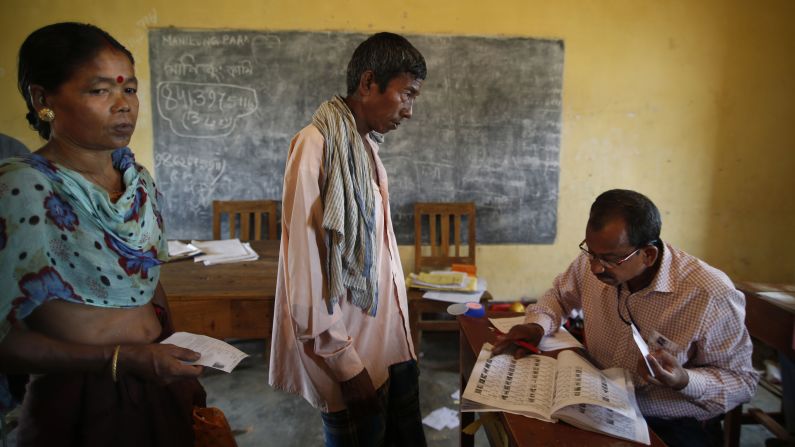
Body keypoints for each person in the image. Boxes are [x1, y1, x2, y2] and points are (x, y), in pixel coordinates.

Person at [0, 22, 206, 446]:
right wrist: (120, 359)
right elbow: (7, 343)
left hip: (157, 382)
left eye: (129, 89)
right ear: (43, 100)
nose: (123, 106)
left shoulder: (138, 183)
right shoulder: (23, 189)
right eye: (100, 91)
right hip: (79, 403)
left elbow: (148, 282)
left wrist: (171, 344)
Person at [493, 189, 759, 447]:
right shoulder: (595, 260)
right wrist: (537, 326)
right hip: (596, 400)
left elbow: (742, 382)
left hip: (668, 420)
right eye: (591, 253)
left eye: (610, 259)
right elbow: (559, 296)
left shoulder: (709, 293)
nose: (596, 267)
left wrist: (684, 380)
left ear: (648, 254)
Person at [268, 32, 427, 446]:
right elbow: (303, 273)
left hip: (390, 347)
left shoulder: (362, 146)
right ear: (368, 83)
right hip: (353, 358)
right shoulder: (315, 145)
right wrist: (345, 365)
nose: (409, 111)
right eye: (406, 95)